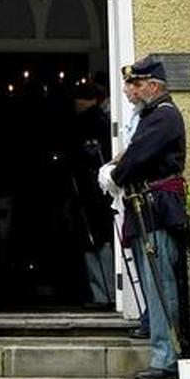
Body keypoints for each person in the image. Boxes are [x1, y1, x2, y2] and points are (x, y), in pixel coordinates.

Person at [99, 54, 186, 379]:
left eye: (134, 84)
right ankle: (159, 341)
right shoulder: (150, 115)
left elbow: (138, 155)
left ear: (154, 85)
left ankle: (166, 358)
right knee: (152, 281)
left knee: (160, 282)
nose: (128, 90)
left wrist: (115, 174)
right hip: (144, 207)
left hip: (156, 208)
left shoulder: (162, 116)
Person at [67, 74, 115, 305]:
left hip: (93, 192)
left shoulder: (91, 122)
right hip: (94, 191)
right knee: (97, 241)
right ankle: (105, 294)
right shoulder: (101, 121)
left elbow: (84, 156)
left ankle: (104, 294)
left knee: (96, 241)